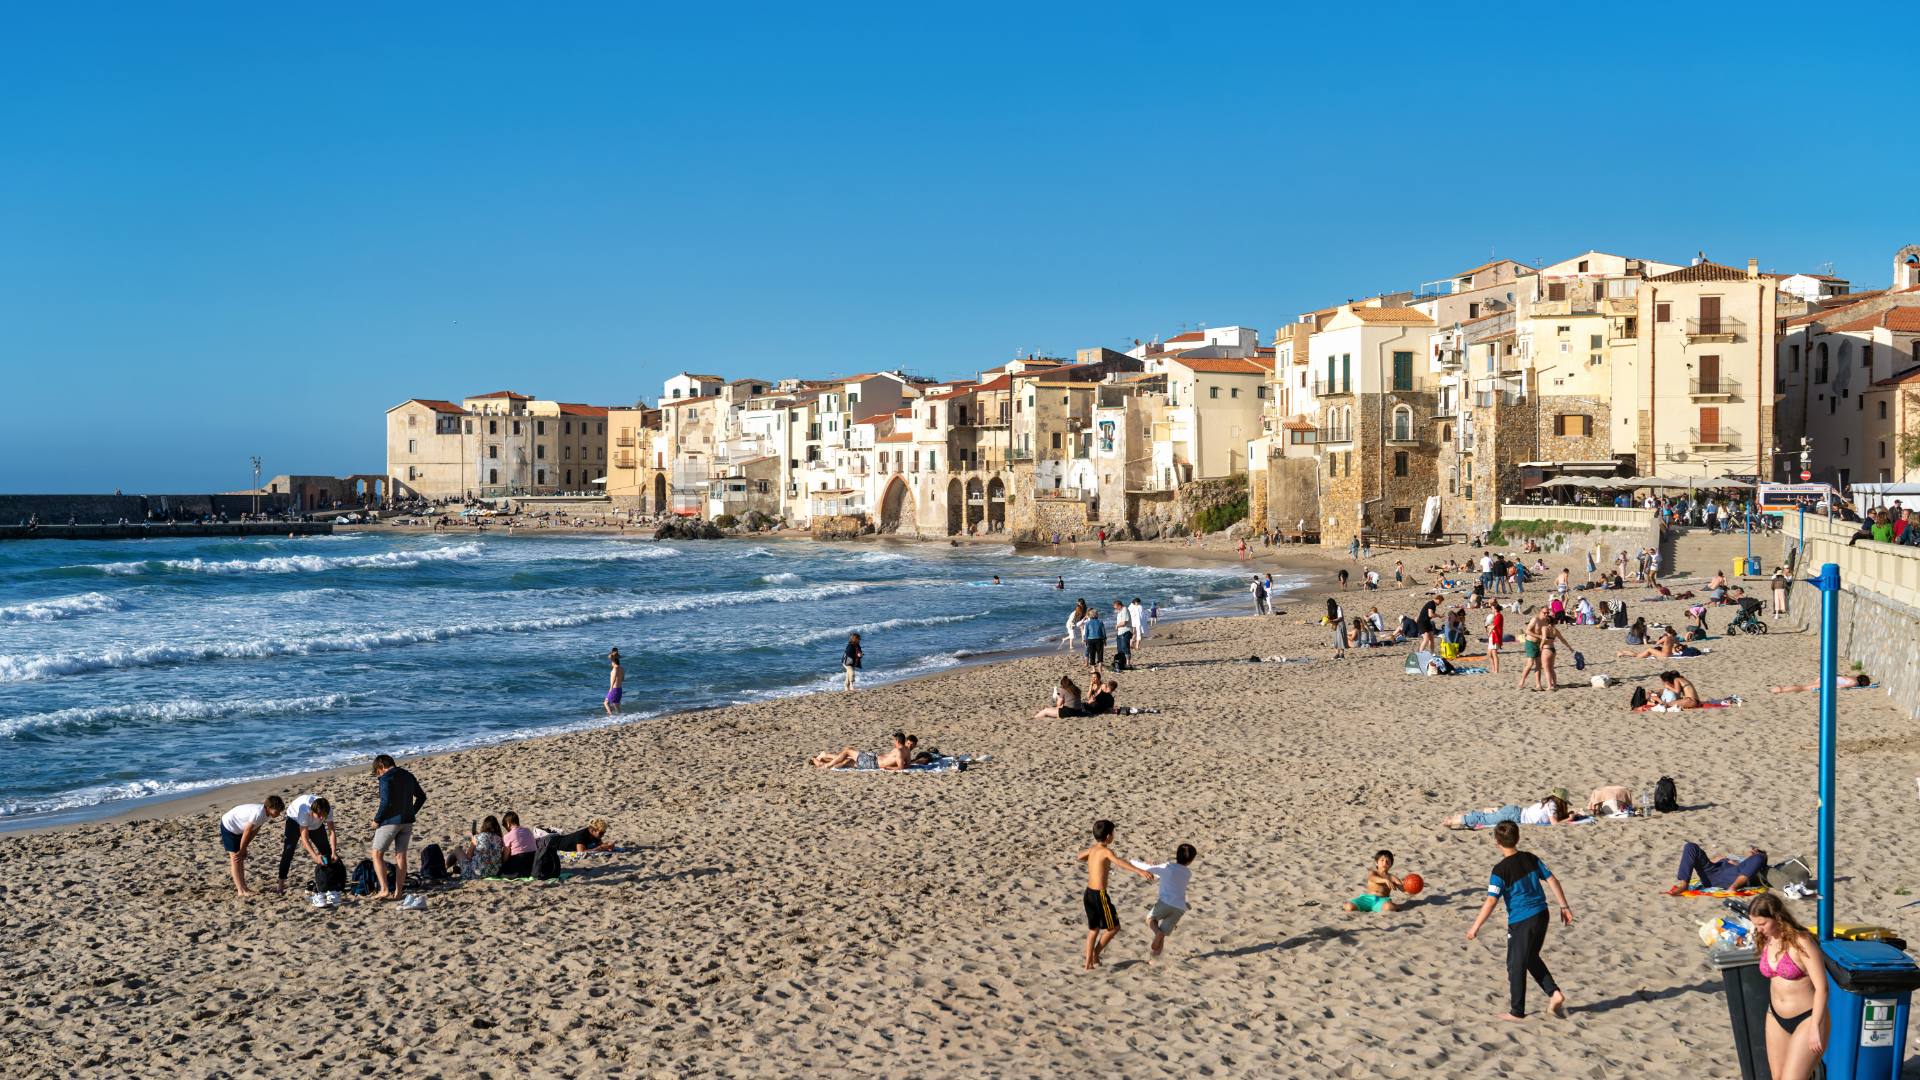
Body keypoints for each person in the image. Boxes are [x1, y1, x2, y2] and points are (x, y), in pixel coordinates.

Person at [1466, 821, 1571, 1022]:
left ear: (1497, 842)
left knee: (1515, 964)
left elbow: (1491, 900)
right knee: (1531, 957)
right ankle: (1554, 993)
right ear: (1518, 838)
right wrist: (1564, 906)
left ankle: (1517, 1012)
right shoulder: (1531, 858)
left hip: (1523, 921)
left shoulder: (1500, 871)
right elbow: (1552, 880)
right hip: (1542, 914)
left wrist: (1475, 927)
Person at [1748, 892, 1829, 1078]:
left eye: (1762, 924)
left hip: (1807, 1019)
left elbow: (1822, 988)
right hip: (1775, 1017)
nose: (1758, 930)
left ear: (1776, 917)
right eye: (1755, 925)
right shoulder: (1766, 940)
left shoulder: (1802, 941)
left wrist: (1816, 1026)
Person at [1076, 819, 1155, 971]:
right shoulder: (1106, 851)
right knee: (1114, 928)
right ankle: (1095, 953)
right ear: (1107, 837)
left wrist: (1090, 854)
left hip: (1088, 894)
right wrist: (1139, 871)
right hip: (1100, 896)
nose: (1114, 836)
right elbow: (1119, 862)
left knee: (1093, 930)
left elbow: (1079, 856)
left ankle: (1088, 964)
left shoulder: (1093, 849)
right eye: (1113, 833)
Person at [369, 754, 428, 901]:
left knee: (376, 854)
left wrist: (377, 820)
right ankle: (398, 892)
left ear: (381, 766)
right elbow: (421, 797)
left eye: (377, 772)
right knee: (401, 856)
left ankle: (384, 889)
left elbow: (386, 802)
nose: (378, 775)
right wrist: (411, 812)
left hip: (390, 821)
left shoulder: (385, 778)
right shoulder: (408, 775)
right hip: (407, 821)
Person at [1127, 843, 1197, 962]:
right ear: (1191, 861)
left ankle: (1156, 933)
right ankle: (1154, 960)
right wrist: (1157, 868)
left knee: (1150, 919)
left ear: (1176, 855)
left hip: (1165, 902)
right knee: (1163, 934)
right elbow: (1171, 876)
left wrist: (1133, 861)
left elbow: (1147, 868)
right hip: (1180, 908)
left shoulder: (1167, 867)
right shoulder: (1187, 873)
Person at [219, 796, 286, 897]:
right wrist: (242, 850)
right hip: (229, 827)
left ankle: (244, 887)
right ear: (269, 807)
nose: (278, 814)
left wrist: (245, 847)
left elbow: (256, 829)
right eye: (277, 811)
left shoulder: (266, 814)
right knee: (235, 859)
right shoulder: (259, 813)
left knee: (240, 859)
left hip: (238, 829)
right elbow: (247, 831)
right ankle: (240, 890)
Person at [276, 793, 337, 894]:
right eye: (319, 815)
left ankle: (330, 881)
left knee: (327, 851)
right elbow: (305, 838)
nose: (322, 818)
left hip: (315, 826)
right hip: (294, 820)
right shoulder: (304, 811)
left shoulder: (327, 809)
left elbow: (332, 831)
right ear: (311, 812)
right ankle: (280, 886)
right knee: (288, 851)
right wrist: (315, 856)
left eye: (324, 815)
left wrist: (334, 852)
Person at [1668, 842, 1767, 894]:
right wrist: (1726, 859)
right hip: (1711, 873)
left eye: (1757, 850)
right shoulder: (1736, 858)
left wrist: (1736, 863)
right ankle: (1684, 884)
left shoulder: (1753, 862)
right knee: (1690, 846)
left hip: (1733, 878)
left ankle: (1733, 887)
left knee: (1759, 857)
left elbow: (1755, 863)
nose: (1754, 849)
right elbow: (1713, 860)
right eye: (1753, 849)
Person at [454, 816, 505, 880]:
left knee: (457, 849)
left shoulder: (477, 837)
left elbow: (469, 857)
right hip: (494, 873)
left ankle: (446, 868)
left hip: (476, 874)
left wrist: (473, 839)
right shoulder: (500, 839)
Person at [498, 811, 539, 876]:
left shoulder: (508, 836)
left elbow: (505, 858)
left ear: (508, 823)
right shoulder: (528, 831)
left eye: (505, 825)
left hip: (520, 864)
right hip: (533, 864)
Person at [548, 818, 614, 853]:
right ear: (592, 830)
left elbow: (600, 845)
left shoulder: (595, 835)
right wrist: (601, 848)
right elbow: (581, 852)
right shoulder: (581, 835)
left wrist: (608, 845)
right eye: (601, 833)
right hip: (553, 843)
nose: (602, 835)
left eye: (604, 833)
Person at [1770, 673, 1871, 693]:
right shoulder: (1854, 683)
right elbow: (1841, 687)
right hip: (1827, 682)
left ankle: (1783, 688)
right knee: (1803, 688)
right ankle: (1781, 689)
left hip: (1826, 677)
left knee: (1803, 687)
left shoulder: (1852, 676)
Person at [1112, 600, 1133, 671]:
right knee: (1120, 649)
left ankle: (1128, 663)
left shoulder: (1125, 610)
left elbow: (1124, 622)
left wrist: (1117, 626)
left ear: (1119, 605)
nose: (1115, 609)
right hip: (1120, 633)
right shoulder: (1120, 611)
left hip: (1126, 631)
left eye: (1116, 607)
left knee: (1125, 647)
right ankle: (1122, 663)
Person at [1484, 601, 1503, 675]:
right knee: (1489, 654)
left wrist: (1488, 627)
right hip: (1492, 635)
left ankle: (1496, 670)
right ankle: (1493, 668)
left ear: (1495, 609)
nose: (1491, 610)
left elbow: (1494, 626)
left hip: (1495, 636)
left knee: (1494, 653)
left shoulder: (1499, 616)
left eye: (1492, 608)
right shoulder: (1496, 616)